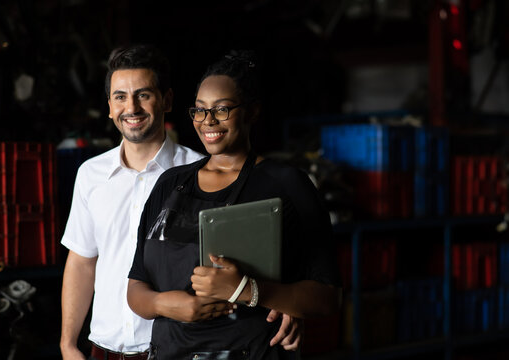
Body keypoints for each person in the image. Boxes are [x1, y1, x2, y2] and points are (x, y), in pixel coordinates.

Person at [60, 44, 301, 360]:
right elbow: (81, 261)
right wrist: (68, 344)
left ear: (167, 100)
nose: (131, 107)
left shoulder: (205, 175)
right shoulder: (91, 175)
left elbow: (249, 262)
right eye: (120, 96)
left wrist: (286, 303)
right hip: (103, 349)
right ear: (109, 106)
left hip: (179, 349)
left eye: (144, 94)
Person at [127, 50, 342, 359]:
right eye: (200, 110)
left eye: (222, 109)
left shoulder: (287, 185)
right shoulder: (169, 184)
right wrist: (166, 305)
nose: (208, 121)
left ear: (252, 111)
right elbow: (136, 287)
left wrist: (250, 290)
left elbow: (327, 297)